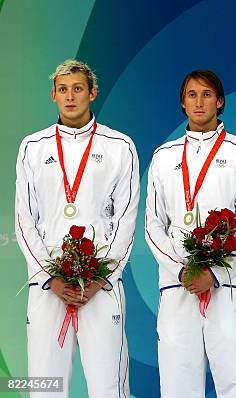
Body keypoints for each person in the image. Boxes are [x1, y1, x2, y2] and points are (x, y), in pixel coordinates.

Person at [15, 59, 139, 397]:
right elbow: (25, 219)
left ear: (92, 93)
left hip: (101, 285)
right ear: (53, 95)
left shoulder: (120, 146)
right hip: (48, 286)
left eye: (78, 88)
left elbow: (126, 218)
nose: (71, 96)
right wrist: (49, 277)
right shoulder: (32, 147)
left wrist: (102, 277)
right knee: (44, 385)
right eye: (64, 89)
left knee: (109, 385)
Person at [145, 69, 236, 398]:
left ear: (220, 101)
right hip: (177, 287)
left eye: (207, 94)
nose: (199, 102)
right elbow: (153, 224)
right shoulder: (163, 156)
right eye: (192, 95)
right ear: (183, 103)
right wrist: (182, 270)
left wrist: (212, 273)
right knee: (177, 386)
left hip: (228, 286)